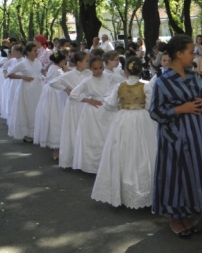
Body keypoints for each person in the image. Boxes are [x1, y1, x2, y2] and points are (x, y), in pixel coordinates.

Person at [150, 34, 202, 239]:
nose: (193, 55)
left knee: (195, 172)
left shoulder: (193, 75)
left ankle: (188, 213)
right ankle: (175, 218)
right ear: (178, 54)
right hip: (175, 136)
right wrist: (180, 109)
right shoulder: (163, 81)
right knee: (176, 176)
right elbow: (155, 112)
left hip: (197, 133)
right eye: (190, 52)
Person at [91, 56, 157, 209]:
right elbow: (150, 105)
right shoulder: (146, 86)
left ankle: (120, 190)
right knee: (143, 151)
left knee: (121, 151)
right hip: (142, 120)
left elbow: (109, 105)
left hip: (123, 120)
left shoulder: (119, 86)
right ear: (140, 70)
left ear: (126, 70)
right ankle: (144, 190)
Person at [70, 57, 120, 174]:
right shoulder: (87, 81)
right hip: (93, 113)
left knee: (107, 136)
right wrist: (88, 100)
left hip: (108, 110)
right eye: (95, 68)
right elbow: (73, 94)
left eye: (100, 68)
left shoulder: (110, 77)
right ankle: (93, 166)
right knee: (94, 137)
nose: (98, 71)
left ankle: (108, 165)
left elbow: (121, 84)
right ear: (90, 69)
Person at [51, 52, 91, 169]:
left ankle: (85, 157)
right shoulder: (70, 74)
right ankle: (73, 156)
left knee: (86, 129)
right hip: (75, 105)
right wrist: (66, 89)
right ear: (79, 63)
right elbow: (53, 82)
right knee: (74, 128)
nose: (88, 63)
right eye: (86, 61)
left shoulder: (89, 73)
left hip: (86, 103)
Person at [33, 50, 69, 159]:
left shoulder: (53, 67)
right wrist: (66, 70)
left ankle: (55, 146)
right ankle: (56, 148)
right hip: (56, 95)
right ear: (62, 60)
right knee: (57, 118)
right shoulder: (59, 71)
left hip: (49, 93)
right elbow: (65, 80)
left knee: (52, 117)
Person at [8, 43, 44, 142]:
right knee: (29, 110)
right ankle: (28, 133)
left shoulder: (38, 62)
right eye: (34, 51)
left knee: (38, 109)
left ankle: (37, 132)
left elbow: (40, 72)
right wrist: (23, 77)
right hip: (27, 90)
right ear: (28, 52)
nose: (37, 53)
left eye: (37, 51)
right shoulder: (23, 63)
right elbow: (9, 74)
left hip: (38, 89)